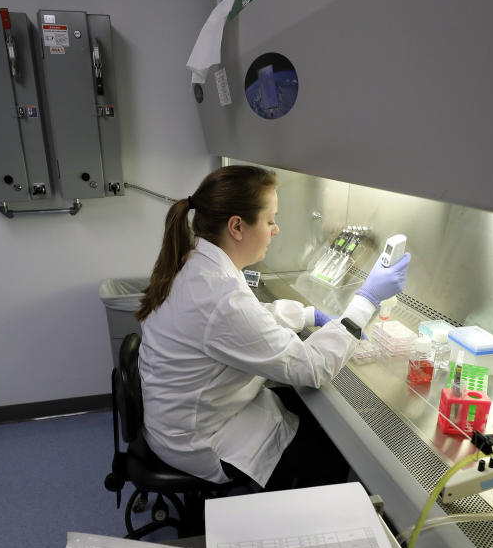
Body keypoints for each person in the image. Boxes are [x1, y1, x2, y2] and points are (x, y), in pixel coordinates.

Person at [134, 165, 411, 491]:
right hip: (200, 441)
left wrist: (309, 315)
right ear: (237, 226)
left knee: (304, 418)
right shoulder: (218, 295)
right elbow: (312, 368)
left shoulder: (196, 262)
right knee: (333, 455)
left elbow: (246, 318)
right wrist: (365, 301)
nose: (276, 229)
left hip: (179, 419)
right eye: (270, 220)